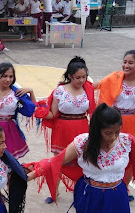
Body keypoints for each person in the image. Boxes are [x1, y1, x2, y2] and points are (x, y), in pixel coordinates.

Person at [96, 50, 135, 200]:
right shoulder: (114, 77)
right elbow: (97, 85)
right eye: (124, 62)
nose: (126, 65)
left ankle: (124, 187)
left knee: (130, 156)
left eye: (130, 63)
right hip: (114, 122)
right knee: (108, 153)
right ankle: (107, 184)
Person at [39, 56, 96, 203]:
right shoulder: (60, 91)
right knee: (59, 162)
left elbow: (93, 112)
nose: (81, 80)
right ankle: (54, 192)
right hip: (62, 130)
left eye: (84, 77)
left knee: (83, 162)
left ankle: (82, 192)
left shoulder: (88, 89)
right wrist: (38, 109)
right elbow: (52, 114)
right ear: (70, 76)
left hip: (83, 129)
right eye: (78, 77)